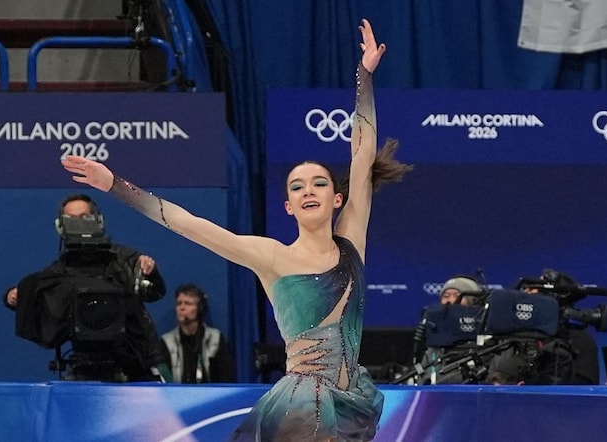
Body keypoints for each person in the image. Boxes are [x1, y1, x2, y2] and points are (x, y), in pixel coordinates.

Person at [61, 18, 407, 441]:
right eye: (297, 187)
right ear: (288, 206)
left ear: (338, 198)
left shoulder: (352, 240)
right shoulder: (271, 256)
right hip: (301, 404)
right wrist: (115, 184)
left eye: (319, 183)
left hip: (351, 400)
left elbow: (362, 152)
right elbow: (189, 224)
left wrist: (364, 76)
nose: (309, 190)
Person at [9, 194, 169, 383]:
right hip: (83, 363)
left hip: (138, 362)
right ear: (61, 225)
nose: (79, 224)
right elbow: (35, 294)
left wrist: (150, 272)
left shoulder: (125, 260)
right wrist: (12, 296)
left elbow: (155, 292)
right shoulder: (60, 271)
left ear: (98, 219)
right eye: (72, 219)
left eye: (85, 217)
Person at [159, 283, 236, 383]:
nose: (181, 308)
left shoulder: (215, 339)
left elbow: (226, 377)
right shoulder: (167, 342)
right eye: (179, 303)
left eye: (188, 304)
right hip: (177, 396)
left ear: (199, 309)